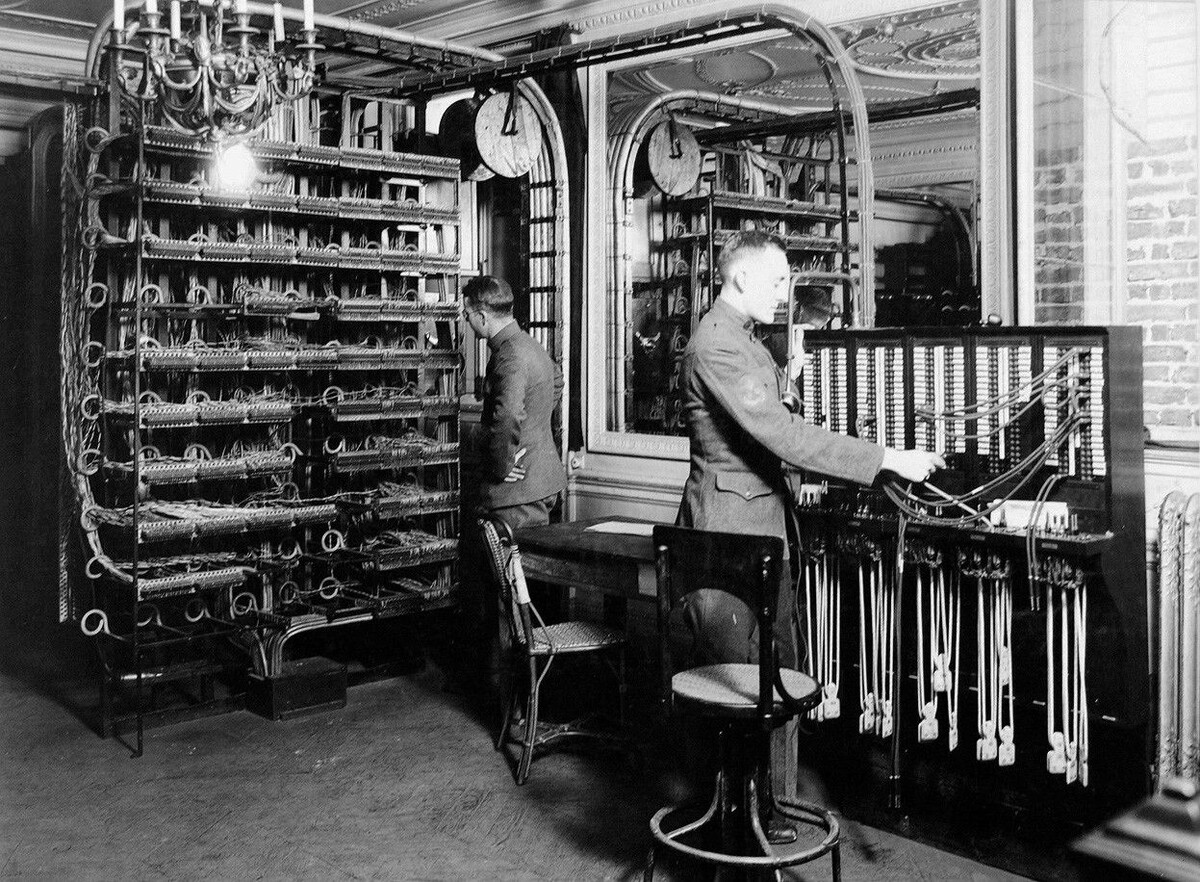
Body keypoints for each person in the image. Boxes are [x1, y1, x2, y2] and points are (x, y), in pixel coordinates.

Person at [676, 229, 945, 666]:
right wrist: (890, 458)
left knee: (782, 670)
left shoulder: (744, 339)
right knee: (731, 677)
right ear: (742, 278)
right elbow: (786, 436)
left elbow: (764, 413)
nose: (783, 294)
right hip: (727, 534)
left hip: (764, 529)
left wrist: (791, 376)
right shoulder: (717, 344)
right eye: (777, 281)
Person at [464, 275, 565, 533]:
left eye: (467, 315)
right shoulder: (528, 343)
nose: (466, 321)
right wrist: (531, 427)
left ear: (482, 317)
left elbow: (508, 414)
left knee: (507, 559)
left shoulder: (509, 355)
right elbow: (556, 380)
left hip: (518, 494)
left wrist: (501, 466)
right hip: (539, 482)